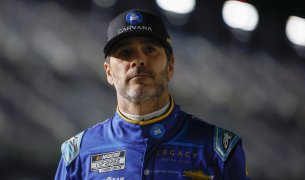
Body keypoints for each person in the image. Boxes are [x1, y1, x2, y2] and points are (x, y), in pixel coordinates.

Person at [55, 9, 250, 180]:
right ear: (109, 72)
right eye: (125, 52)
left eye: (149, 50)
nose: (138, 60)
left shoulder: (219, 150)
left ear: (170, 66)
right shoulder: (78, 154)